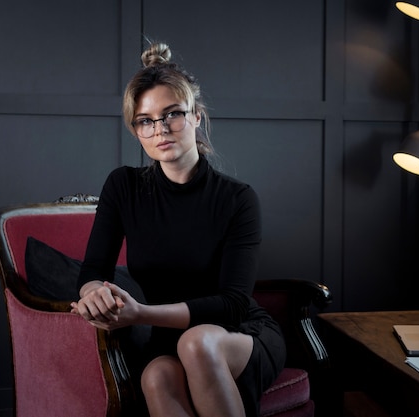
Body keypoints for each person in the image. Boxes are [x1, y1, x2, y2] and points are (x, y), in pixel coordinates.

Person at [70, 41, 286, 417]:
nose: (160, 129)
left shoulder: (238, 199)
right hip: (169, 338)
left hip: (236, 333)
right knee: (156, 377)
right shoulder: (124, 186)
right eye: (146, 120)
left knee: (198, 344)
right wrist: (92, 294)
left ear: (197, 116)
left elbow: (233, 303)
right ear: (136, 129)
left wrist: (140, 314)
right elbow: (93, 272)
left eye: (173, 114)